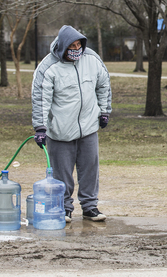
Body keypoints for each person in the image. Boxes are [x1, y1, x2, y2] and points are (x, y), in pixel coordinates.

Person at [31, 25, 112, 223]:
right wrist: (40, 127)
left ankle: (90, 207)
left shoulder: (91, 59)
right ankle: (64, 208)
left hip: (88, 128)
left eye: (79, 45)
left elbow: (103, 85)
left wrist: (104, 111)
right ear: (62, 46)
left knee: (90, 170)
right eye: (72, 46)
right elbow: (41, 99)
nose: (76, 49)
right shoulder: (48, 67)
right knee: (61, 174)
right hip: (60, 131)